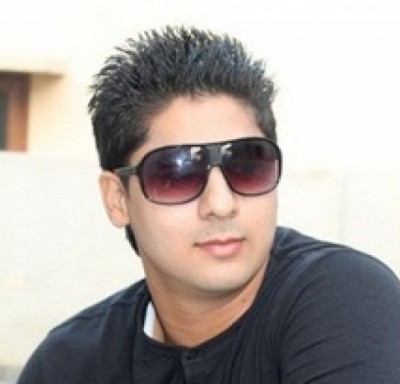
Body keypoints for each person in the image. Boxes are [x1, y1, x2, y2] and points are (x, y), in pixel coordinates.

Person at [17, 26, 400, 384]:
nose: (221, 203)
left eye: (247, 164)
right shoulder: (67, 366)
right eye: (176, 173)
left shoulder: (343, 299)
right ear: (118, 199)